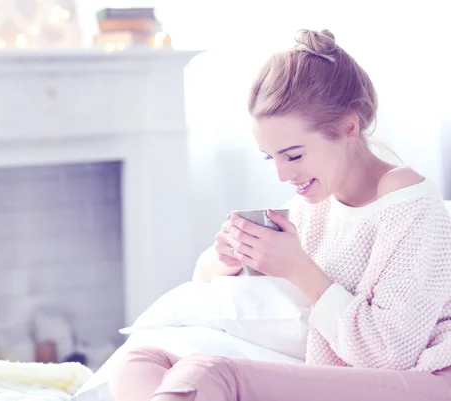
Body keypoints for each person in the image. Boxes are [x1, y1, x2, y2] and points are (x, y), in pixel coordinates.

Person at [106, 29, 451, 401]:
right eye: (271, 158)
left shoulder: (408, 203)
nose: (283, 175)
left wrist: (298, 268)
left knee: (208, 374)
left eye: (294, 155)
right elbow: (216, 289)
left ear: (349, 127)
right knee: (142, 356)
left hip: (426, 375)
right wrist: (229, 259)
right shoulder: (315, 205)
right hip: (336, 363)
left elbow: (390, 353)